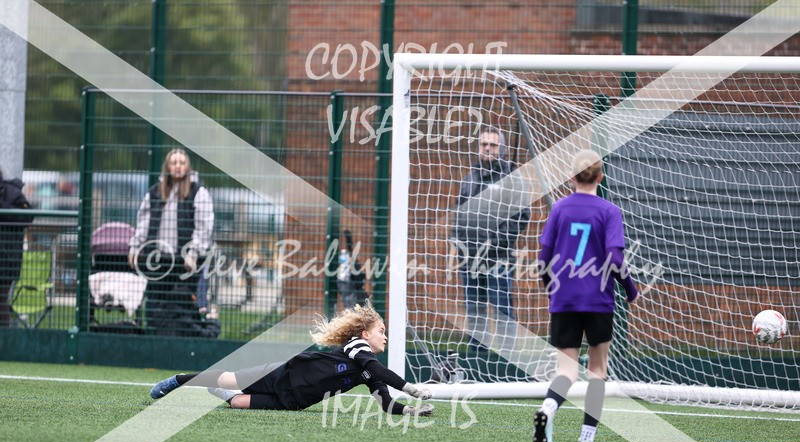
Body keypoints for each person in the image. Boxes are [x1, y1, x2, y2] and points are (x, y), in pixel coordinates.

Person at [533, 150, 640, 442]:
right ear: (600, 177)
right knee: (597, 371)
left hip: (564, 300)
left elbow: (543, 259)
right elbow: (615, 259)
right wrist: (630, 290)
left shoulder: (559, 209)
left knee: (566, 372)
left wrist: (552, 290)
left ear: (573, 176)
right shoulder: (609, 211)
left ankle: (547, 408)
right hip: (598, 299)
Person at [149, 301, 434, 416]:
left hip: (294, 401)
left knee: (236, 401)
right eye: (381, 331)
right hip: (284, 374)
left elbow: (385, 403)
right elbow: (377, 369)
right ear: (364, 333)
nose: (385, 337)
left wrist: (411, 411)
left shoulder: (368, 371)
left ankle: (217, 391)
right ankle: (178, 380)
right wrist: (412, 388)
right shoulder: (357, 346)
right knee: (229, 378)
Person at [451, 127, 530, 353]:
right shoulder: (470, 177)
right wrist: (457, 240)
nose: (487, 148)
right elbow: (459, 211)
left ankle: (506, 358)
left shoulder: (512, 177)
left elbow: (522, 215)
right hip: (470, 258)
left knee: (502, 308)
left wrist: (496, 243)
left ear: (502, 149)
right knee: (474, 309)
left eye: (493, 145)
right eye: (484, 144)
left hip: (499, 257)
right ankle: (477, 356)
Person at [128, 149, 214, 336]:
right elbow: (143, 223)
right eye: (174, 163)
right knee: (156, 301)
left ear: (187, 166)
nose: (177, 166)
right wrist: (135, 246)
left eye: (181, 163)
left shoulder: (197, 192)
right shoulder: (155, 192)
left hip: (185, 262)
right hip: (158, 259)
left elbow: (204, 227)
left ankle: (184, 337)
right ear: (167, 166)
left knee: (183, 302)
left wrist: (193, 253)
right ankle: (156, 336)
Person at [0, 168, 34, 327]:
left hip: (7, 261)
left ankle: (4, 344)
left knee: (1, 301)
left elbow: (27, 216)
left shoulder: (13, 192)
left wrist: (2, 209)